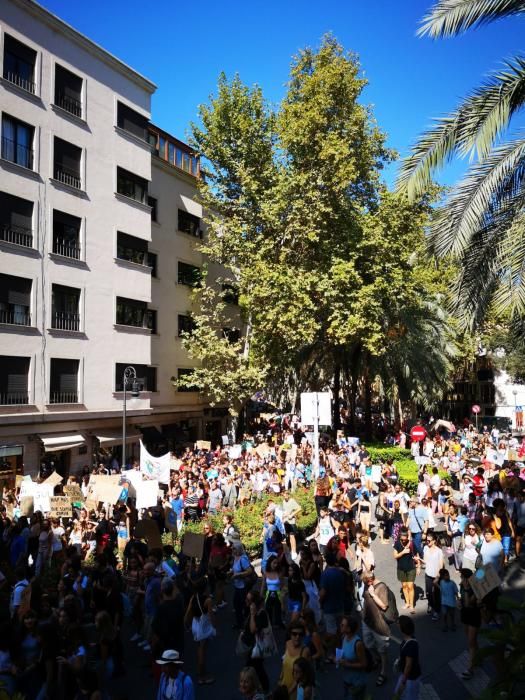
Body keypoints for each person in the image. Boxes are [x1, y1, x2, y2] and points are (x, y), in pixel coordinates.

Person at [184, 578, 215, 685]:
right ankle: (202, 676)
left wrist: (186, 624)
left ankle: (199, 670)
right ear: (205, 588)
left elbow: (188, 612)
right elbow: (211, 616)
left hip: (195, 625)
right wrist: (215, 628)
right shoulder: (208, 600)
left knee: (199, 648)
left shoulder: (193, 597)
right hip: (204, 627)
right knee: (203, 650)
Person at [361, 572, 390, 687]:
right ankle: (377, 659)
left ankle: (383, 672)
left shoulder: (381, 587)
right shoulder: (367, 585)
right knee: (368, 644)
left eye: (365, 583)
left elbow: (384, 606)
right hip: (367, 622)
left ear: (370, 581)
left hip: (379, 625)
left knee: (382, 649)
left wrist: (373, 595)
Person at [318, 552, 346, 661]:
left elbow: (323, 592)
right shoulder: (340, 573)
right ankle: (338, 653)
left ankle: (325, 648)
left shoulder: (325, 574)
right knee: (339, 632)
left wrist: (320, 602)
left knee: (331, 632)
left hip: (329, 608)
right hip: (340, 605)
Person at [459, 568, 481, 680]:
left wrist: (467, 589)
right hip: (465, 615)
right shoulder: (462, 585)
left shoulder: (475, 587)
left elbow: (468, 603)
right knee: (471, 640)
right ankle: (478, 658)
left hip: (474, 616)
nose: (461, 579)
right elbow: (463, 601)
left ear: (467, 579)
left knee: (471, 642)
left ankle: (470, 669)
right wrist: (459, 602)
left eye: (462, 577)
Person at [279, 621, 310, 699]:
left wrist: (289, 692)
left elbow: (302, 676)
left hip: (296, 690)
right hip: (284, 685)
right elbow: (284, 662)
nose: (297, 637)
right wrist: (280, 678)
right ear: (290, 634)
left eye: (300, 634)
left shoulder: (305, 651)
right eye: (294, 634)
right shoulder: (288, 644)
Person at [339, 616, 367, 700]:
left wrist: (347, 664)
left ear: (349, 629)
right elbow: (343, 652)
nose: (340, 625)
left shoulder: (358, 644)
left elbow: (364, 664)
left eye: (342, 625)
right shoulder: (344, 637)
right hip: (346, 679)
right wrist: (337, 658)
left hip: (357, 682)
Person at [394, 615, 422, 700]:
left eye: (399, 625)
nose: (397, 626)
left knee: (410, 697)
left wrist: (403, 681)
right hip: (406, 675)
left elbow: (408, 665)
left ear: (403, 629)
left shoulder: (410, 645)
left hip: (411, 677)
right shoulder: (408, 639)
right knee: (397, 693)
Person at [393, 527, 418, 614]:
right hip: (401, 568)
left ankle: (411, 605)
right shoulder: (397, 544)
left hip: (411, 568)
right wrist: (403, 552)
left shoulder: (411, 544)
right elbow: (395, 556)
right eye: (402, 539)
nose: (403, 541)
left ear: (407, 537)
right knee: (404, 586)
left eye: (405, 539)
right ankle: (407, 603)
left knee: (410, 586)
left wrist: (418, 566)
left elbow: (416, 554)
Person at [231, 542, 255, 629]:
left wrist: (238, 575)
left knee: (244, 606)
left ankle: (247, 624)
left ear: (239, 549)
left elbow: (249, 571)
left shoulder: (243, 559)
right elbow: (235, 569)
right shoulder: (235, 557)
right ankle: (240, 623)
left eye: (234, 548)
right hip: (237, 586)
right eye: (232, 548)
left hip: (243, 587)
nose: (232, 550)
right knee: (237, 605)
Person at [421, 533, 443, 621]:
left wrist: (438, 577)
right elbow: (425, 561)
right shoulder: (425, 548)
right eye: (426, 540)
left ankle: (437, 611)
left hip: (436, 575)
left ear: (434, 541)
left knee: (437, 594)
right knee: (428, 593)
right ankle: (431, 604)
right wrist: (419, 561)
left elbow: (441, 565)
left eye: (429, 541)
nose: (427, 542)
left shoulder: (439, 551)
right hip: (428, 574)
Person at [281, 492, 302, 559]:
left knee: (292, 536)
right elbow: (285, 510)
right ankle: (290, 551)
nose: (285, 497)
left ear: (288, 495)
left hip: (291, 522)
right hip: (285, 521)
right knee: (287, 537)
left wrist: (292, 515)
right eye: (283, 496)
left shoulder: (292, 500)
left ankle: (294, 552)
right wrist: (283, 515)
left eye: (286, 495)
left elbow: (299, 508)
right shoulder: (284, 501)